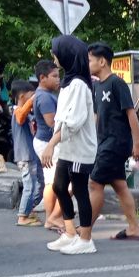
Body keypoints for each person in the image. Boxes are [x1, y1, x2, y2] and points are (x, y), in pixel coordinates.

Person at [41, 35, 97, 255]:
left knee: (80, 190)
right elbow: (62, 119)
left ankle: (86, 240)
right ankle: (70, 232)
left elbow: (73, 123)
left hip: (79, 149)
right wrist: (54, 143)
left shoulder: (79, 85)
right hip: (67, 147)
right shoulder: (68, 83)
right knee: (58, 187)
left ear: (67, 55)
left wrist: (51, 144)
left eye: (56, 52)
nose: (54, 56)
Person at [87, 42, 139, 239]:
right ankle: (134, 228)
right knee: (120, 186)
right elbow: (97, 117)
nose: (88, 64)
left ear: (102, 61)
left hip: (116, 143)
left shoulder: (116, 83)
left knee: (95, 184)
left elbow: (131, 114)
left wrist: (137, 143)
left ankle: (84, 231)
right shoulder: (97, 86)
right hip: (104, 143)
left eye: (90, 60)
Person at [31, 60, 63, 232]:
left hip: (45, 142)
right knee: (53, 182)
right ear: (42, 78)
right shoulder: (44, 97)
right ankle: (52, 218)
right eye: (54, 76)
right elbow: (53, 123)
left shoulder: (44, 94)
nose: (58, 79)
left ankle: (51, 219)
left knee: (51, 181)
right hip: (47, 143)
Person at [10, 80, 44, 227]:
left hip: (31, 154)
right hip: (24, 155)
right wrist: (33, 99)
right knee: (29, 185)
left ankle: (28, 210)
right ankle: (22, 216)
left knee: (40, 184)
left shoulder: (26, 113)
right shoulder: (17, 110)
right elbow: (20, 116)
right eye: (31, 95)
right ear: (23, 96)